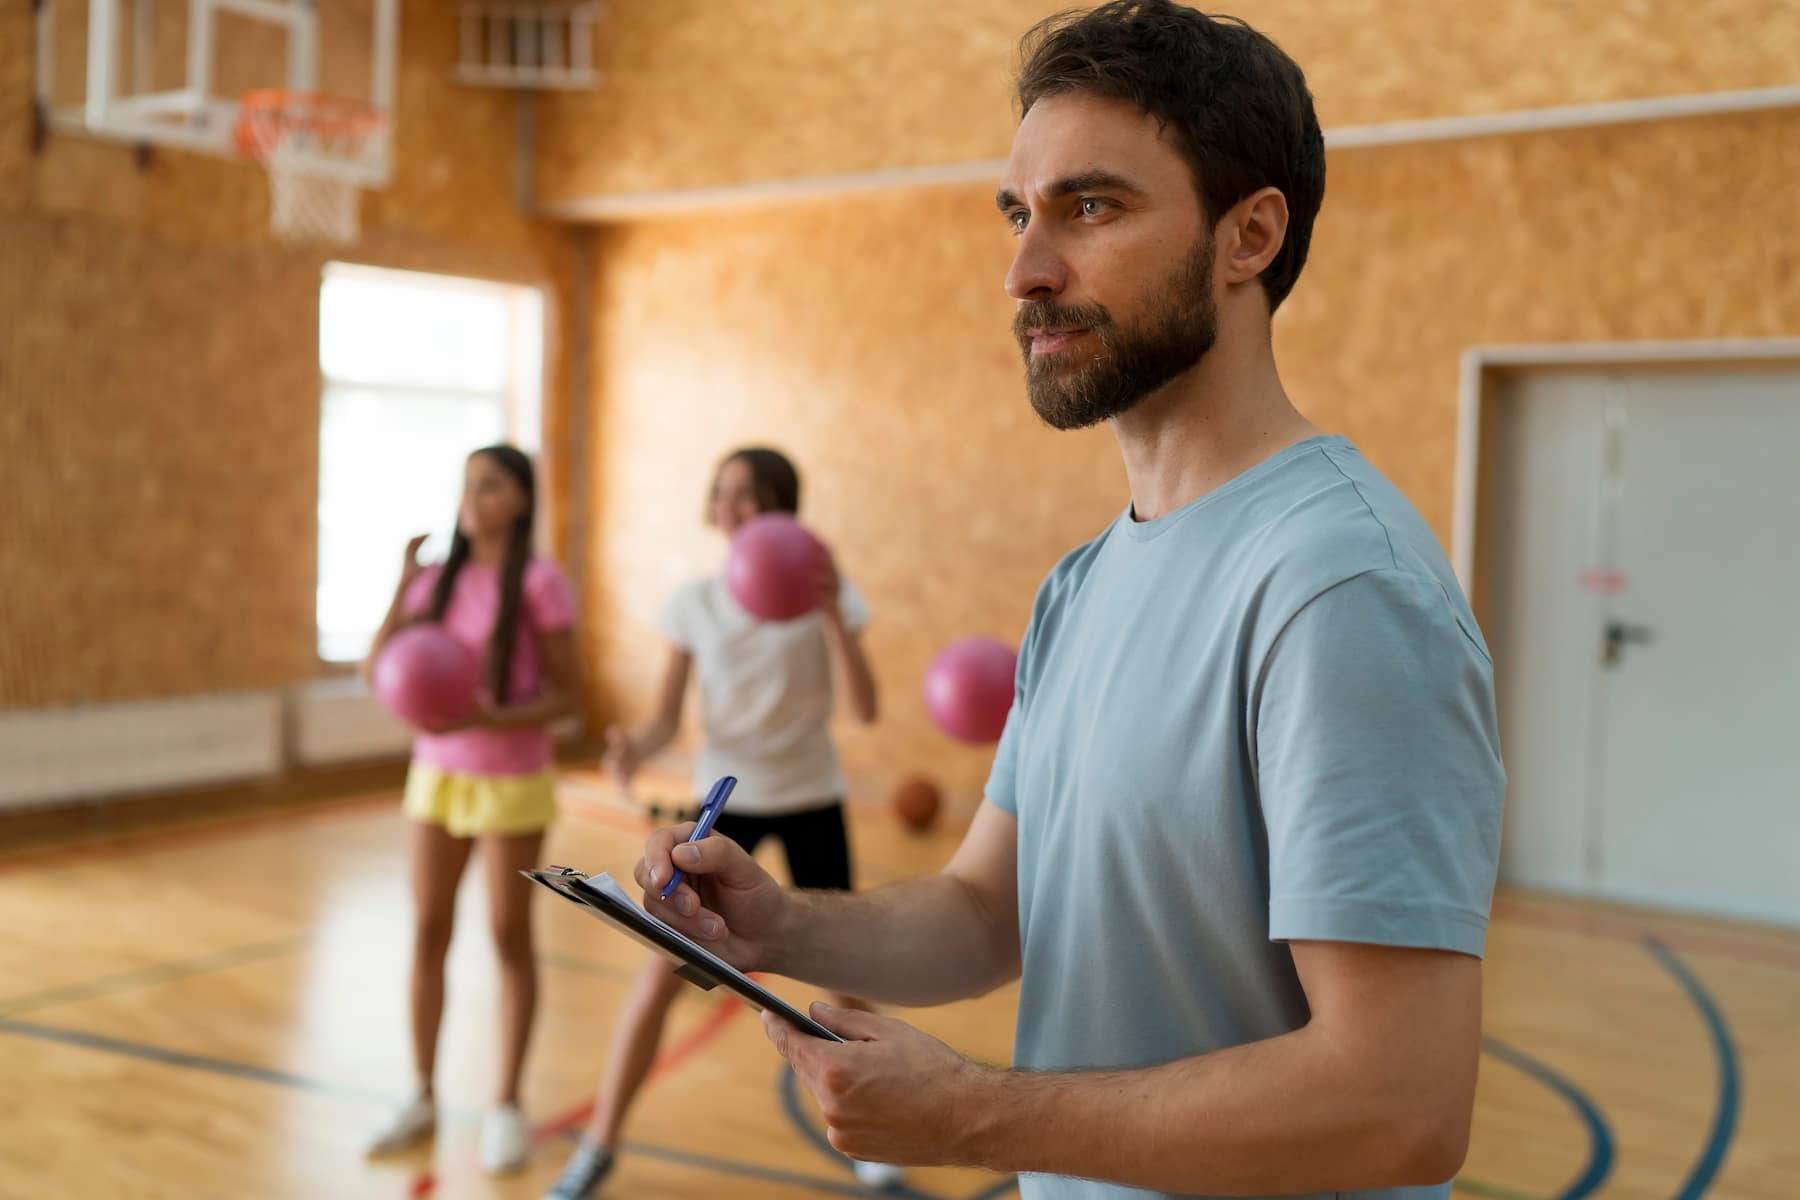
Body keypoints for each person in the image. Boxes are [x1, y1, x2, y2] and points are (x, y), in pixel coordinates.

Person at [629, 4, 1505, 1198]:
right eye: (1019, 213)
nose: (1025, 272)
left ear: (1249, 236)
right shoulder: (1083, 583)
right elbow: (989, 912)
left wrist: (973, 1118)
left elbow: (1397, 1107)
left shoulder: (1341, 587)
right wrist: (777, 928)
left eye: (1090, 207)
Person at [543, 446, 901, 1199]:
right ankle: (599, 1144)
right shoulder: (696, 601)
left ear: (783, 509)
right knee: (661, 974)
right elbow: (665, 719)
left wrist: (830, 611)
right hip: (723, 807)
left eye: (753, 494)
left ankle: (880, 1138)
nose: (734, 507)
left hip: (812, 799)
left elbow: (866, 708)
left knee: (845, 980)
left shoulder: (827, 596)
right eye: (725, 493)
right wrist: (633, 748)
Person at [363, 445, 580, 1176]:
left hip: (512, 780)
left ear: (520, 500)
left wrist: (496, 716)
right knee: (429, 929)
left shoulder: (542, 581)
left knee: (508, 935)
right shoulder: (433, 581)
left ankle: (506, 1106)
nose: (472, 498)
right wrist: (401, 585)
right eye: (467, 485)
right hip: (437, 775)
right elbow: (375, 670)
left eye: (489, 486)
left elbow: (567, 696)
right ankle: (421, 1094)